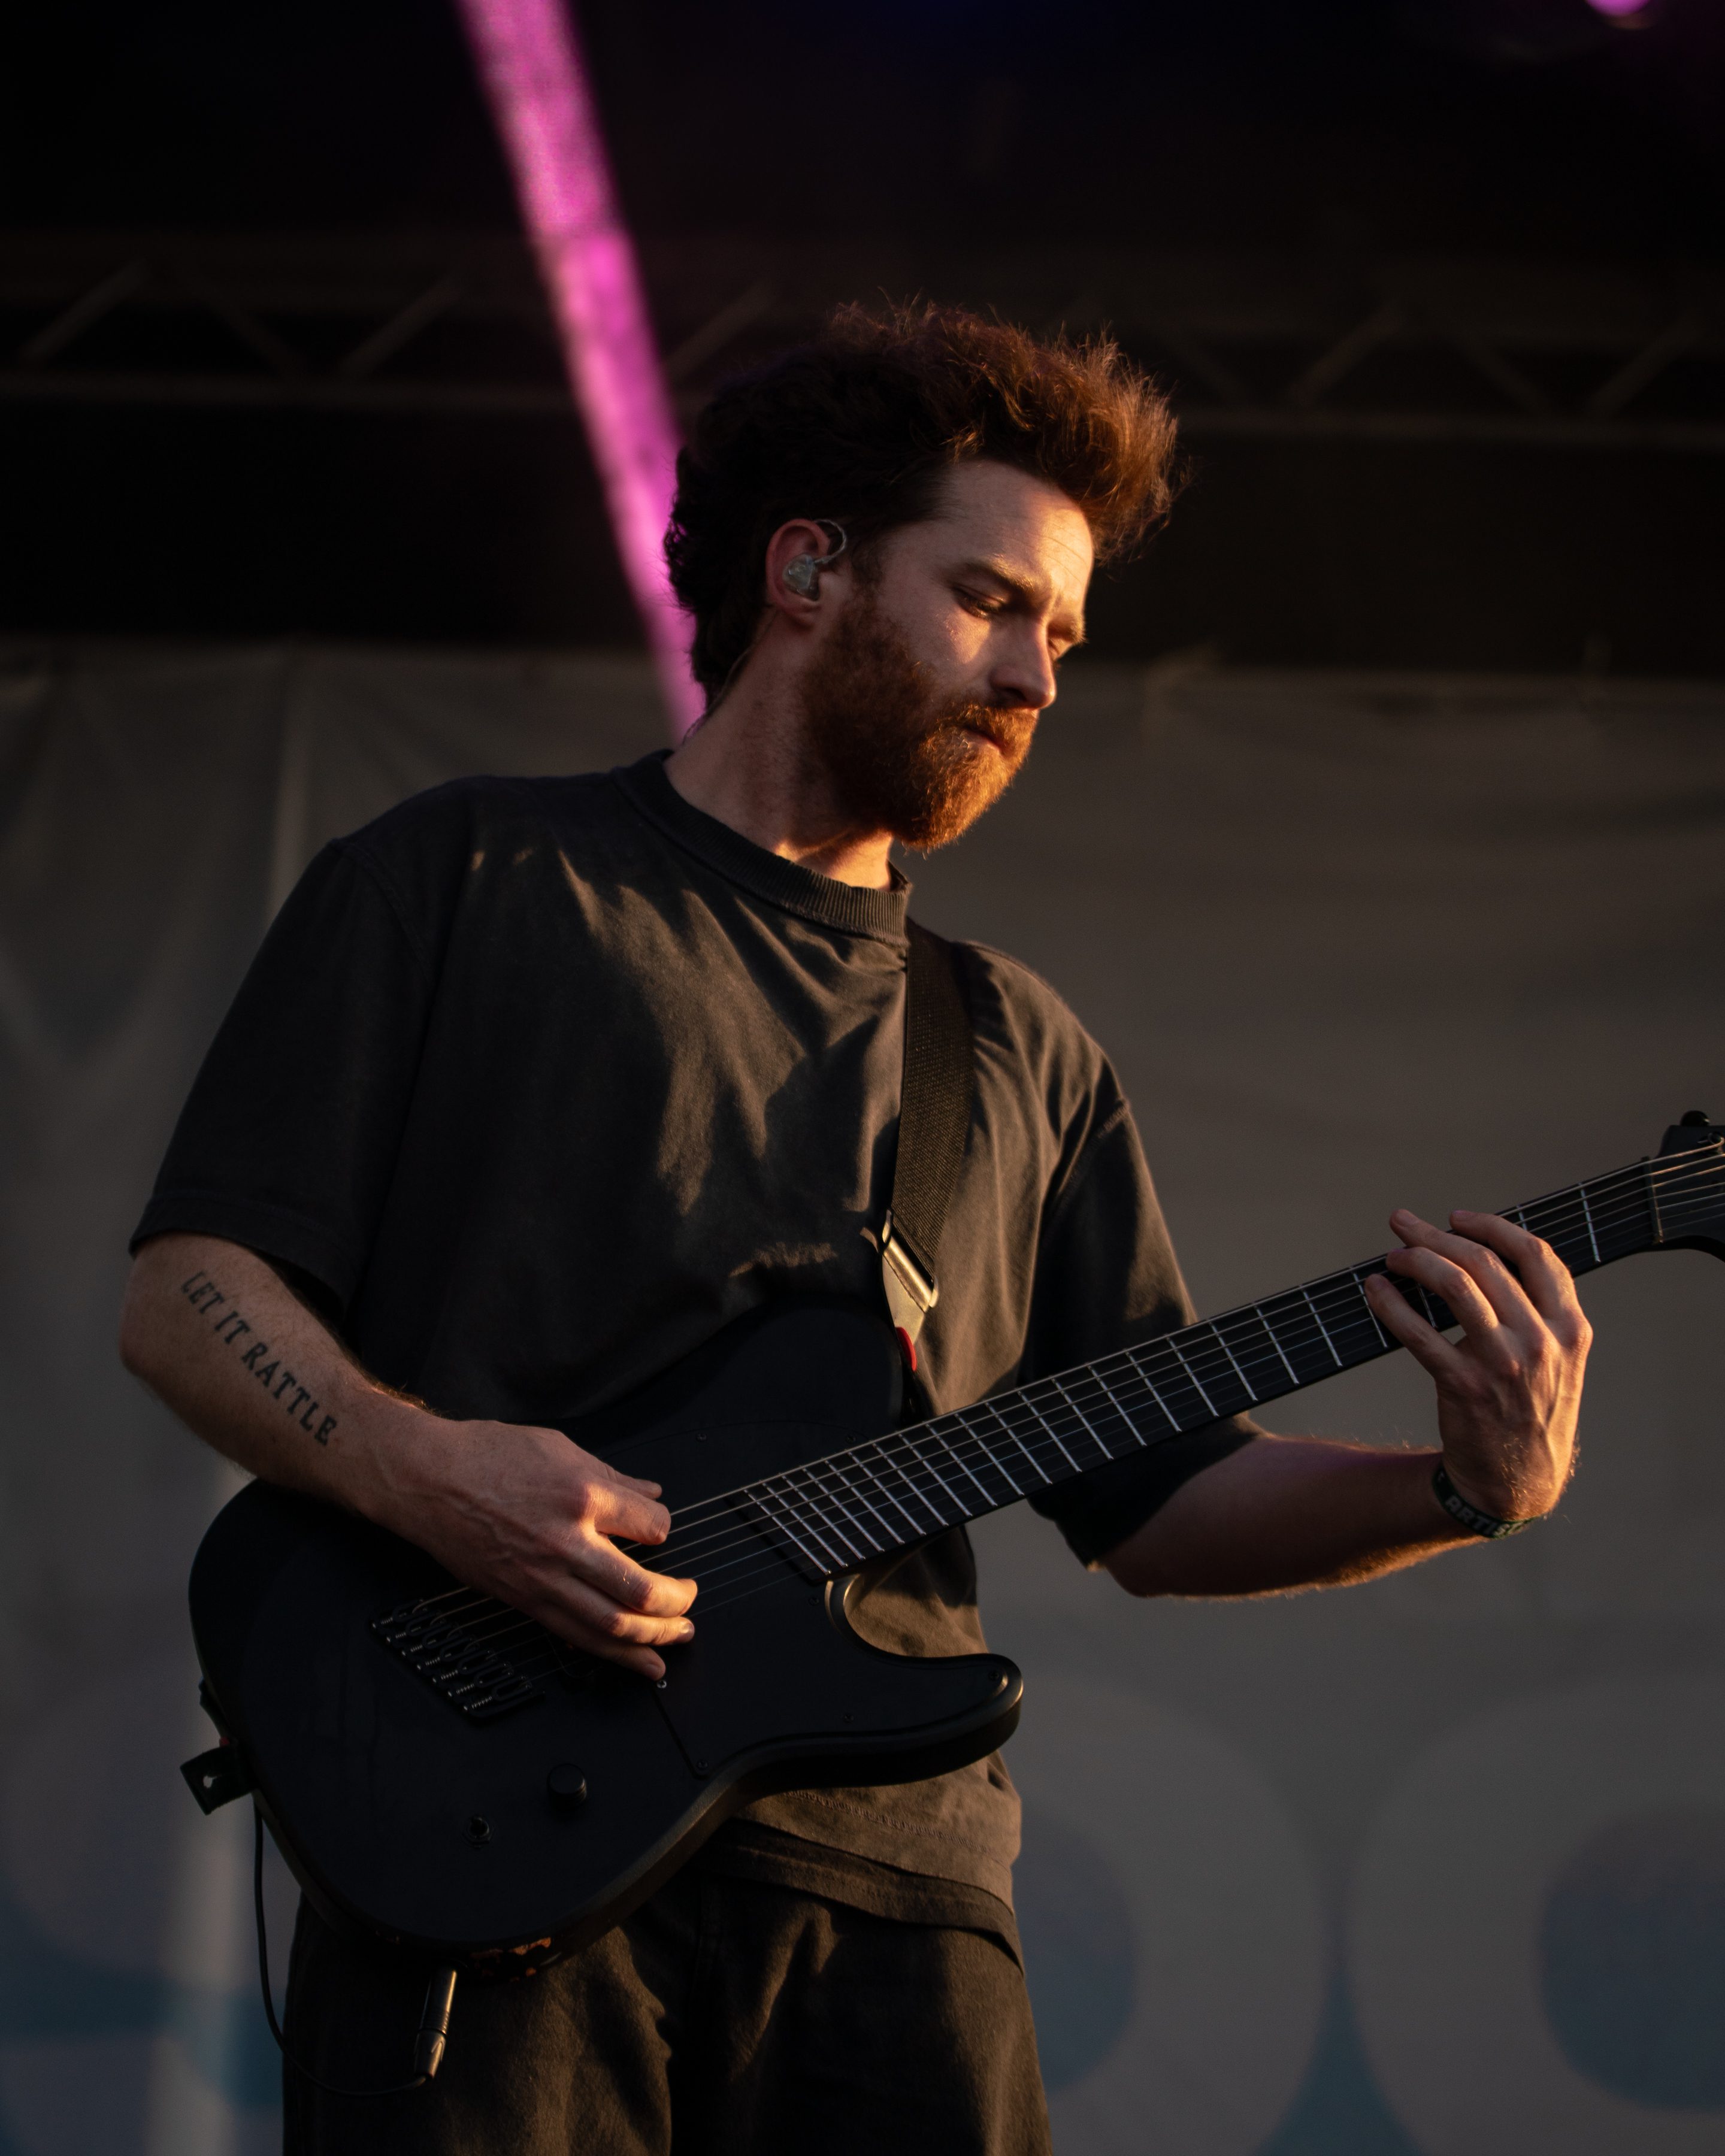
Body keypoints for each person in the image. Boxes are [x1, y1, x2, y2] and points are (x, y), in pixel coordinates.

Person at [118, 304, 1590, 2156]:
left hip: (899, 1904)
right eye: (992, 601)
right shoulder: (470, 879)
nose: (1038, 680)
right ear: (806, 568)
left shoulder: (1020, 1051)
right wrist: (431, 1477)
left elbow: (1160, 1502)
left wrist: (1463, 1489)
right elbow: (189, 1294)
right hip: (485, 1848)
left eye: (1064, 636)